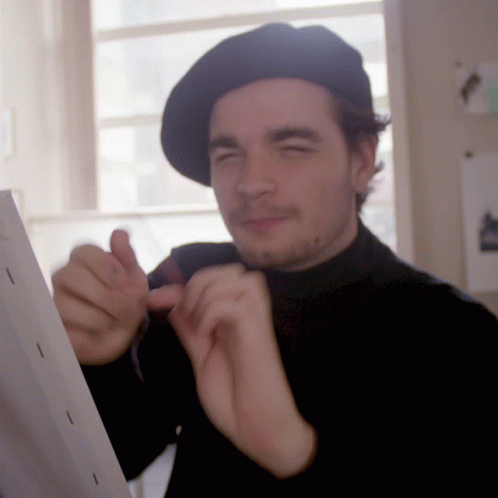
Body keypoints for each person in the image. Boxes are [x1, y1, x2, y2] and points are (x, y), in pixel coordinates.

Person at [52, 24, 497, 496]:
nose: (250, 183)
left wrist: (295, 452)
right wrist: (100, 360)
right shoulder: (191, 280)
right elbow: (120, 452)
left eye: (291, 148)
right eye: (228, 155)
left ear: (361, 161)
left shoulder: (457, 336)